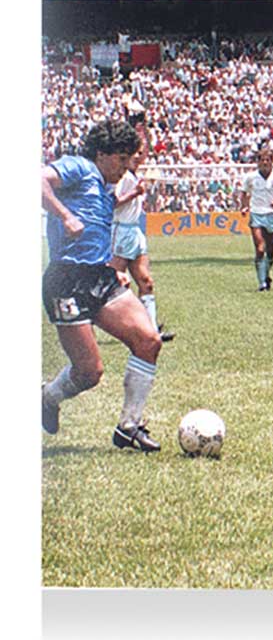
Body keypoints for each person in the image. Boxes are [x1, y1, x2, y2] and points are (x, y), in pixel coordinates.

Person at [41, 119, 165, 451]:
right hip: (65, 281)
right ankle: (47, 396)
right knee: (89, 373)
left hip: (100, 277)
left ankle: (129, 426)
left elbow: (101, 217)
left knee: (149, 341)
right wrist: (65, 216)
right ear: (101, 154)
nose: (126, 166)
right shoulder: (79, 167)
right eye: (122, 159)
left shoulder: (105, 184)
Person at [110, 140, 175, 342]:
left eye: (140, 153)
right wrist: (134, 194)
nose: (138, 157)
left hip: (134, 231)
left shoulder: (134, 175)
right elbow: (112, 202)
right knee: (115, 283)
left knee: (146, 282)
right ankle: (97, 321)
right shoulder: (121, 177)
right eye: (134, 153)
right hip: (121, 231)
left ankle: (152, 330)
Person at [241, 147, 273, 292]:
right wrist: (244, 207)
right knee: (260, 248)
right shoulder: (251, 177)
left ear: (272, 162)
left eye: (267, 160)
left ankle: (266, 275)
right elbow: (244, 193)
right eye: (262, 160)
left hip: (271, 214)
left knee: (270, 251)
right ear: (258, 162)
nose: (264, 163)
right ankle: (262, 283)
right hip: (256, 213)